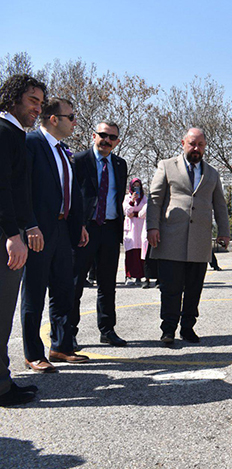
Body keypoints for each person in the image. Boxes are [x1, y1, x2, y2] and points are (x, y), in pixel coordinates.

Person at [22, 97, 90, 372]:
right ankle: (33, 353)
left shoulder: (65, 151)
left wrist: (79, 224)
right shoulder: (32, 144)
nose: (75, 122)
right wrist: (29, 225)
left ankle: (61, 346)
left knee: (64, 289)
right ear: (54, 119)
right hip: (39, 230)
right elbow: (22, 188)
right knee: (35, 292)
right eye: (71, 117)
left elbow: (71, 191)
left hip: (63, 229)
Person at [147, 128, 229, 344]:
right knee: (171, 288)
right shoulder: (166, 165)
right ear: (183, 142)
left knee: (194, 288)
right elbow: (155, 199)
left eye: (201, 145)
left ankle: (188, 328)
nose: (196, 148)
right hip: (171, 237)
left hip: (200, 240)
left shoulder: (212, 173)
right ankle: (168, 329)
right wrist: (152, 227)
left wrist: (224, 231)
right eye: (192, 144)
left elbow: (220, 204)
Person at [0, 74, 46, 406]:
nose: (37, 109)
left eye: (41, 103)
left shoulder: (15, 134)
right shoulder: (3, 133)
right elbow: (3, 189)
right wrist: (11, 235)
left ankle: (3, 382)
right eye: (33, 101)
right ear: (13, 98)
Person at [72, 121, 128, 347]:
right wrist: (77, 225)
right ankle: (69, 332)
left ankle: (107, 330)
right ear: (93, 135)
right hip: (85, 229)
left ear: (117, 141)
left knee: (107, 284)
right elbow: (72, 196)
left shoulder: (119, 164)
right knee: (75, 283)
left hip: (110, 229)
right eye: (103, 135)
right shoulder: (78, 160)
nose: (106, 140)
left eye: (112, 137)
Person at [123, 178, 147, 286]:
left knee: (141, 252)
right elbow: (127, 211)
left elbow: (145, 211)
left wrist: (136, 214)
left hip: (141, 227)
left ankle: (139, 276)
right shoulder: (127, 198)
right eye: (134, 185)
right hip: (130, 228)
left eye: (138, 185)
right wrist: (132, 201)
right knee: (130, 252)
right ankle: (129, 275)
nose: (136, 187)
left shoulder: (144, 198)